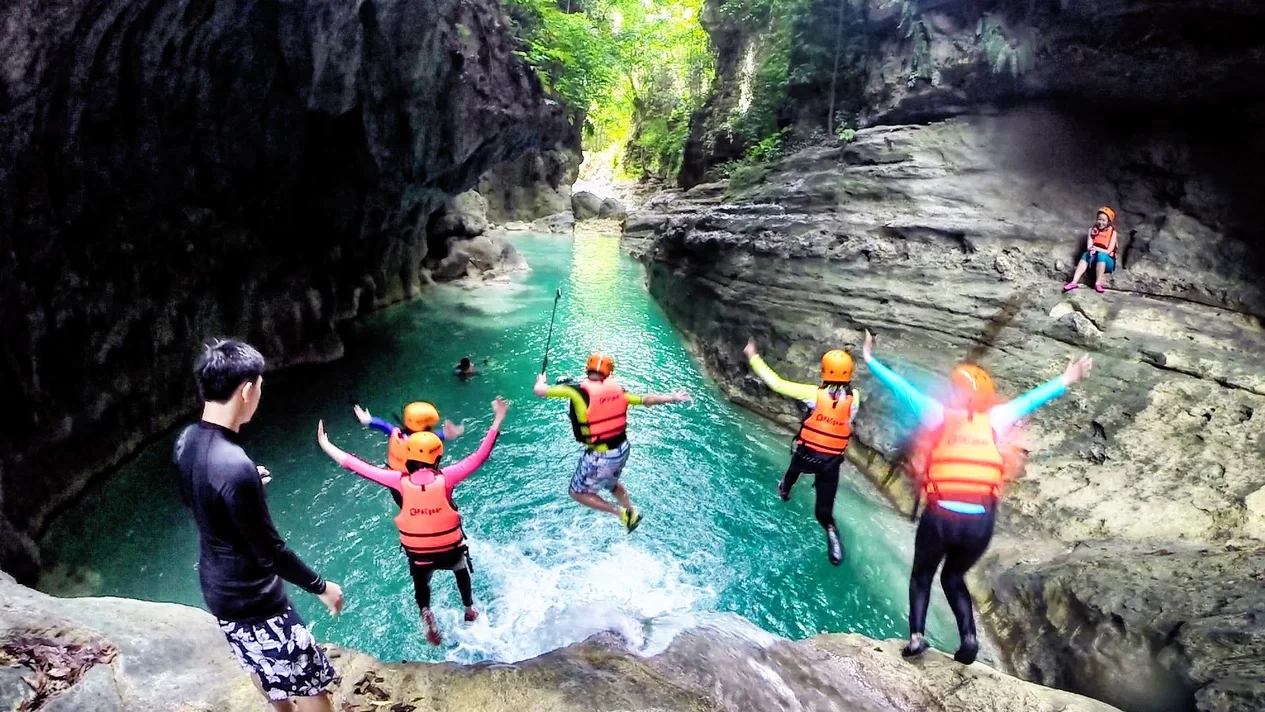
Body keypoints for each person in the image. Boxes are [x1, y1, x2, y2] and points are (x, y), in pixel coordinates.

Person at [861, 330, 1092, 665]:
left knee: (922, 575)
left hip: (941, 516)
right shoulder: (998, 419)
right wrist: (1068, 377)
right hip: (979, 523)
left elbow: (900, 387)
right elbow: (1034, 398)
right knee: (953, 577)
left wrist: (869, 359)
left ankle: (916, 638)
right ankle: (969, 638)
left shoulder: (937, 413)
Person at [174, 340, 343, 712]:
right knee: (311, 682)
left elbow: (199, 497)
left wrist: (246, 486)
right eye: (260, 387)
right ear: (248, 389)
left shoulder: (187, 441)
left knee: (259, 663)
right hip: (255, 597)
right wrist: (322, 587)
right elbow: (270, 551)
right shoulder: (234, 465)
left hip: (217, 589)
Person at [318, 398, 507, 646]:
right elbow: (481, 454)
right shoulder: (447, 478)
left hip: (420, 556)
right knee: (461, 568)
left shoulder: (398, 481)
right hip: (449, 551)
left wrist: (325, 444)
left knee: (421, 581)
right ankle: (469, 609)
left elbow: (356, 465)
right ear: (438, 456)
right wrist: (498, 418)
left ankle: (425, 611)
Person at [533, 352, 690, 532]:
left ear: (587, 369)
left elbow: (539, 391)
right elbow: (646, 400)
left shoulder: (575, 391)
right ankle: (632, 512)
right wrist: (673, 397)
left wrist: (541, 380)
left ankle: (620, 513)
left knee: (577, 493)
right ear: (609, 373)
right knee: (611, 484)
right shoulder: (619, 392)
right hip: (622, 449)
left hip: (601, 454)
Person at [743, 339, 861, 566]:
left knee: (794, 467)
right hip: (830, 464)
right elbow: (846, 416)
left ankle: (785, 489)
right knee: (823, 512)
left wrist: (753, 356)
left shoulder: (813, 394)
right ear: (849, 374)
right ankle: (831, 532)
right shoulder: (854, 399)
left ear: (823, 371)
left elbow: (776, 384)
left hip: (807, 457)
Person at [353, 401, 464, 481]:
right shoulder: (428, 440)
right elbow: (438, 435)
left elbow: (384, 425)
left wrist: (370, 421)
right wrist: (450, 434)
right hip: (418, 481)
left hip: (396, 480)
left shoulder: (398, 435)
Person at [1064, 206, 1120, 293]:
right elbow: (1089, 246)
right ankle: (1074, 281)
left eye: (1103, 220)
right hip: (1094, 259)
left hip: (1107, 261)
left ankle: (1098, 283)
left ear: (1108, 221)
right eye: (1099, 219)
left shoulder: (1113, 233)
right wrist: (1091, 250)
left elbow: (1109, 251)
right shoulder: (1092, 230)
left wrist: (1096, 249)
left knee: (1101, 255)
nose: (1101, 222)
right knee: (1086, 254)